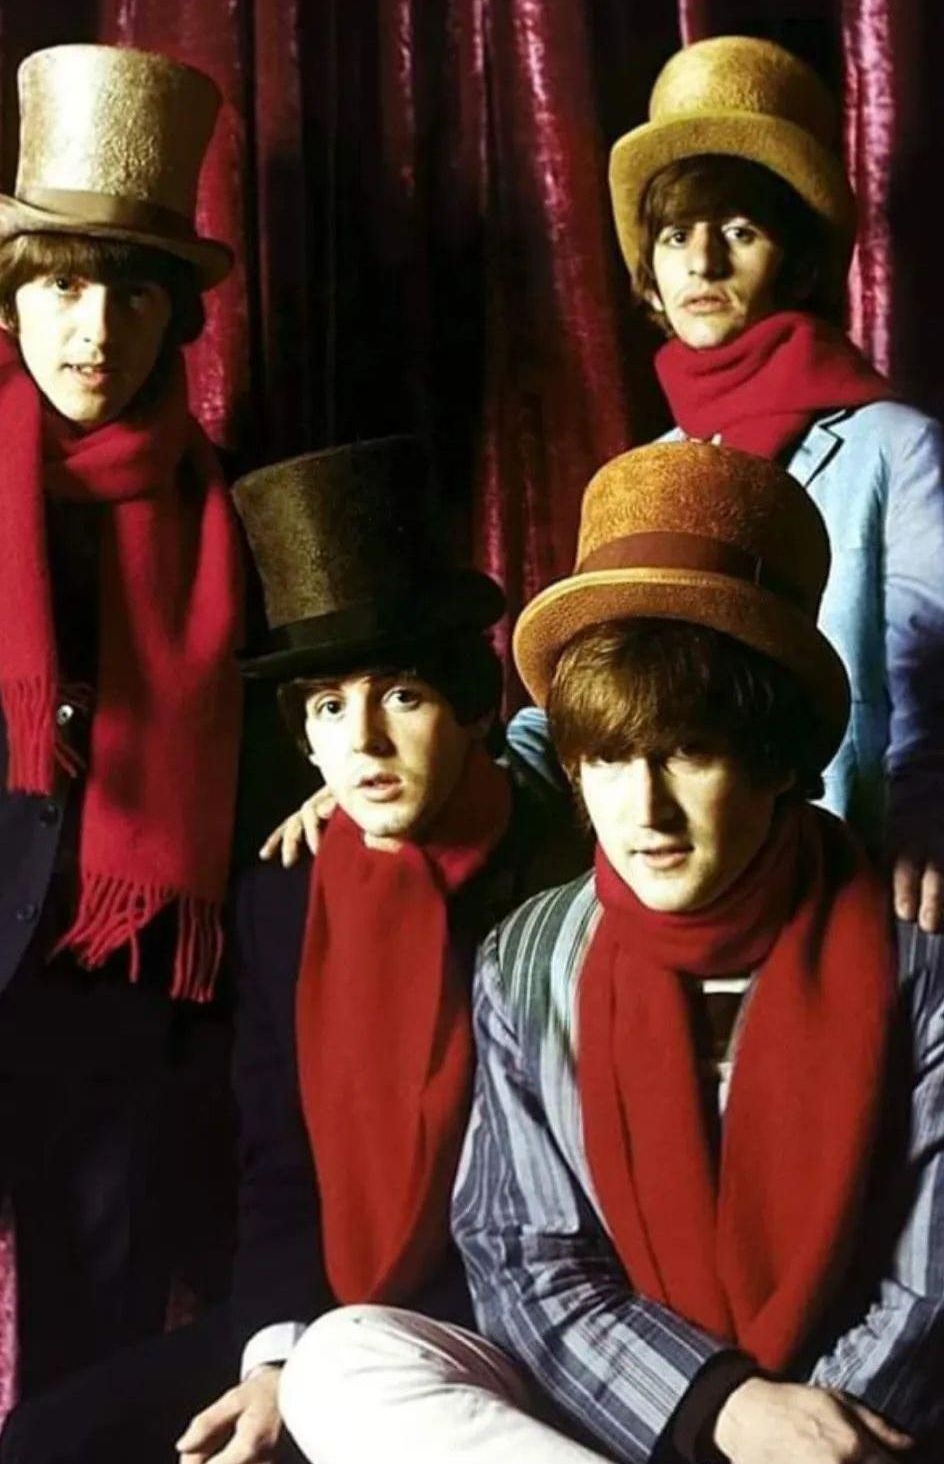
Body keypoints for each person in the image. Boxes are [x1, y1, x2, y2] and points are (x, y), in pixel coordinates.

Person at [277, 440, 944, 1464]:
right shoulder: (529, 956)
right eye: (608, 759)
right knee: (340, 1358)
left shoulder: (912, 960)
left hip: (848, 1431)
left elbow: (927, 1284)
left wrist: (808, 1430)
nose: (645, 811)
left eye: (689, 752)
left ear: (774, 761)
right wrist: (719, 1407)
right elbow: (524, 1256)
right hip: (624, 1415)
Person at [0, 437, 580, 1464]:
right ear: (303, 738)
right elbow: (280, 1163)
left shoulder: (556, 875)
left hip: (501, 1319)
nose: (363, 741)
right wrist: (277, 1352)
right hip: (319, 1303)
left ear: (466, 705)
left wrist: (320, 1376)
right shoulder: (284, 894)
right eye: (328, 706)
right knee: (49, 1438)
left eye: (401, 695)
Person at [511, 34, 944, 934]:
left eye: (739, 232)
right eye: (677, 235)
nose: (702, 264)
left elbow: (930, 678)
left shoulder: (896, 448)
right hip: (686, 907)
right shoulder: (650, 471)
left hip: (856, 892)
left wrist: (926, 817)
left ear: (797, 259)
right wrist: (417, 785)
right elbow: (588, 692)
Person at [0, 43, 243, 1396]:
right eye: (64, 286)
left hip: (116, 978)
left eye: (134, 294)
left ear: (174, 319)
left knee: (93, 1346)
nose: (96, 329)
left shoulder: (229, 514)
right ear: (15, 298)